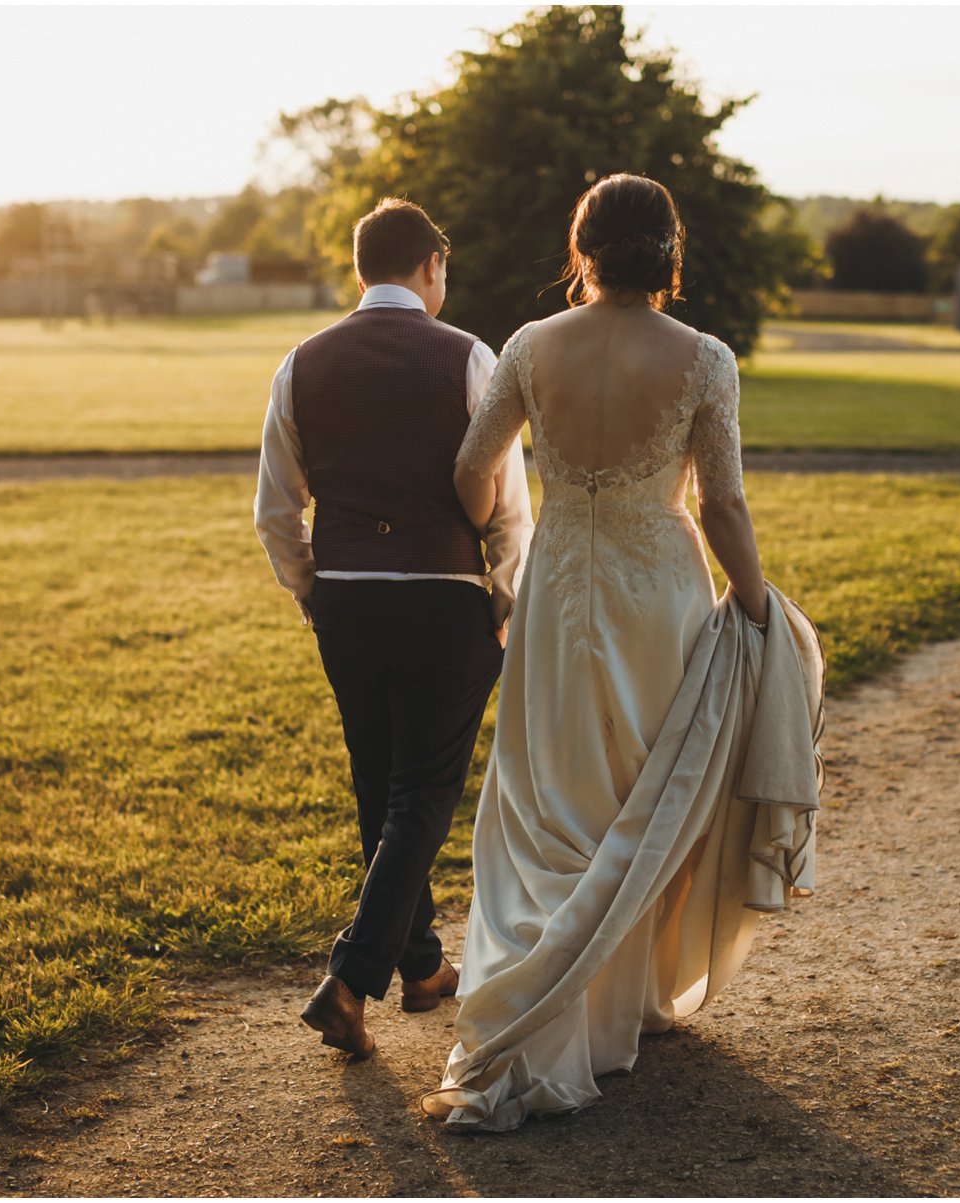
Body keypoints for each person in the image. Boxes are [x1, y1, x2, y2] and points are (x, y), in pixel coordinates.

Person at [423, 174, 823, 1129]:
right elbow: (722, 500)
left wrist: (493, 538)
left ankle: (557, 1003)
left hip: (559, 584)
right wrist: (757, 600)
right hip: (660, 593)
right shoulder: (705, 358)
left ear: (583, 247)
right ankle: (617, 1006)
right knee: (648, 795)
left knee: (554, 795)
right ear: (668, 252)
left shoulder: (528, 346)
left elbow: (474, 465)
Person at [253, 197, 533, 1059]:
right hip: (442, 598)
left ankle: (419, 963)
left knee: (379, 781)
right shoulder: (466, 357)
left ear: (360, 266)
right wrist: (503, 596)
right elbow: (508, 508)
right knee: (422, 791)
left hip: (347, 600)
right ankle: (352, 974)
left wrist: (313, 591)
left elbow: (275, 510)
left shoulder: (300, 364)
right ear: (432, 269)